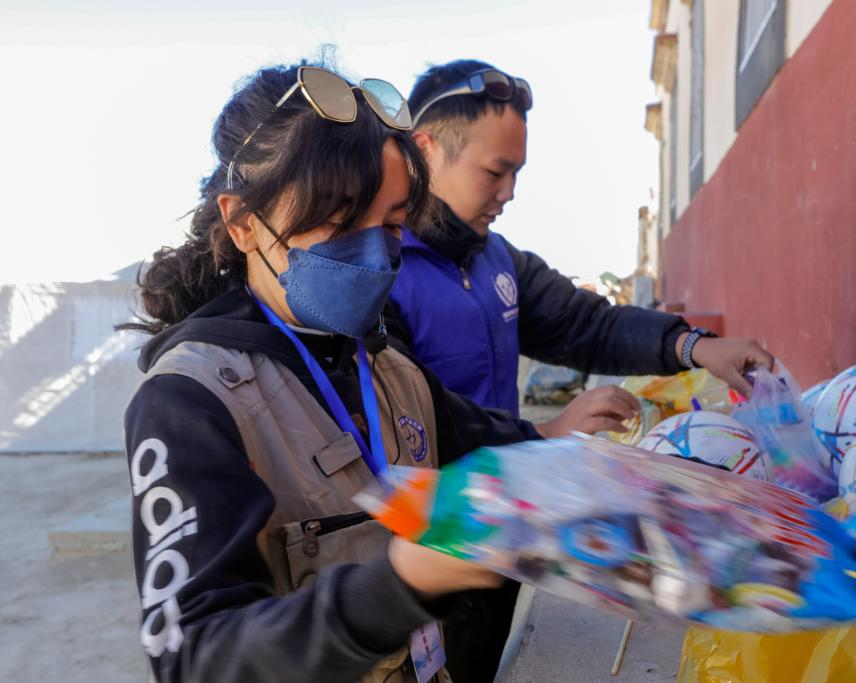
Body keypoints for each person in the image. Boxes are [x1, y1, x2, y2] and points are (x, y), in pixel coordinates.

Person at [122, 60, 541, 683]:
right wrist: (396, 585)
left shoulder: (390, 370)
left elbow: (505, 451)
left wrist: (623, 463)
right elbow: (195, 657)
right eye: (339, 220)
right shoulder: (192, 400)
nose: (374, 251)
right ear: (241, 223)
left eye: (394, 223)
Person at [384, 58, 775, 680]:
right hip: (420, 543)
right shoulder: (382, 267)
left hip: (502, 525)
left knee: (492, 660)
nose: (509, 192)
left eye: (517, 172)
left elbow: (585, 324)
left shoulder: (497, 258)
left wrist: (696, 348)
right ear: (426, 149)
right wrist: (539, 436)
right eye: (496, 170)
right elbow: (409, 409)